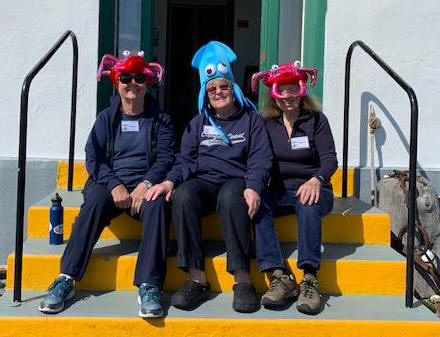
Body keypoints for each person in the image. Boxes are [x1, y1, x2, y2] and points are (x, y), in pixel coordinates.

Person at [38, 51, 175, 318]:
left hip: (145, 184)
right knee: (95, 201)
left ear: (147, 82)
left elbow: (167, 158)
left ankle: (149, 285)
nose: (132, 84)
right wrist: (114, 184)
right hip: (110, 182)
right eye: (125, 78)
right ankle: (66, 277)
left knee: (158, 204)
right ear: (116, 82)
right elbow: (94, 156)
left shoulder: (162, 120)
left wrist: (147, 183)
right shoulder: (106, 118)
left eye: (138, 78)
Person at [146, 41, 274, 313]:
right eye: (212, 88)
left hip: (236, 180)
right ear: (206, 92)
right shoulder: (198, 123)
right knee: (183, 194)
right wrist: (170, 181)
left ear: (233, 87)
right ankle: (196, 278)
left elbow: (260, 159)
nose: (218, 92)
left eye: (223, 86)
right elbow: (186, 161)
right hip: (204, 181)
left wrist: (254, 187)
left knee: (231, 195)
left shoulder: (252, 121)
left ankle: (241, 280)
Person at [251, 61, 338, 314]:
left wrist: (316, 179)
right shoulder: (266, 123)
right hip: (281, 190)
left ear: (302, 92)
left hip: (317, 188)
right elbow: (260, 159)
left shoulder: (317, 121)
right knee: (259, 203)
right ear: (274, 95)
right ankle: (279, 276)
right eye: (282, 90)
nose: (288, 97)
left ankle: (310, 279)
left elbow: (330, 159)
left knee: (307, 200)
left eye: (293, 90)